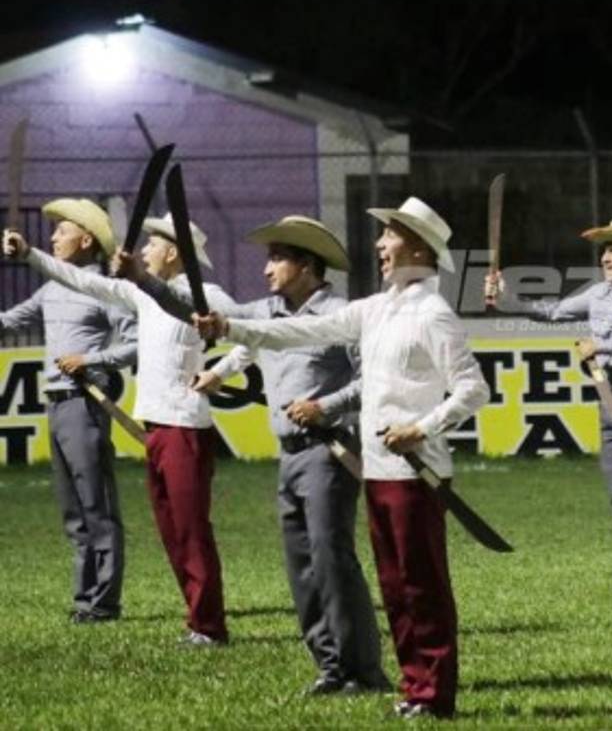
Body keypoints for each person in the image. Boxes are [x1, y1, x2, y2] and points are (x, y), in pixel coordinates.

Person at [194, 198, 489, 720]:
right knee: (395, 588)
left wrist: (421, 428)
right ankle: (412, 686)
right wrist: (231, 330)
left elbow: (472, 391)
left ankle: (434, 694)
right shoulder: (376, 308)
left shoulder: (434, 313)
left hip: (416, 472)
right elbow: (300, 331)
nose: (379, 244)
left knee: (422, 585)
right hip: (376, 468)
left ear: (417, 246)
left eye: (390, 235)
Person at [164, 216, 386, 694]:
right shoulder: (268, 312)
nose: (266, 269)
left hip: (329, 453)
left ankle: (363, 671)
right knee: (301, 567)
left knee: (332, 562)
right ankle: (330, 667)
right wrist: (141, 279)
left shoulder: (343, 317)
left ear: (306, 265)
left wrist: (324, 405)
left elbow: (372, 381)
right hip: (288, 456)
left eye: (276, 258)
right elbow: (196, 310)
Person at [5, 214, 234, 646]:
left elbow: (251, 333)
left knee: (190, 529)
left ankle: (209, 625)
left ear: (171, 252)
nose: (143, 250)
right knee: (171, 530)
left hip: (186, 426)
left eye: (151, 245)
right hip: (156, 425)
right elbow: (86, 282)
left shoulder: (209, 295)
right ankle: (199, 619)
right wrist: (31, 255)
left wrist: (221, 371)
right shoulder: (142, 294)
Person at [486, 218, 612, 593]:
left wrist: (601, 346)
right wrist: (507, 300)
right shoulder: (597, 294)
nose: (605, 258)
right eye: (605, 251)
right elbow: (553, 311)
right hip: (608, 400)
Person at [1, 199, 136, 623]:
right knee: (73, 510)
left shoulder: (107, 289)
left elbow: (136, 343)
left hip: (84, 404)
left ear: (86, 239)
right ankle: (85, 600)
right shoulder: (52, 287)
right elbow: (8, 321)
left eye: (62, 231)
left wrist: (92, 362)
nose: (54, 237)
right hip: (55, 407)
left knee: (97, 507)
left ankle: (104, 602)